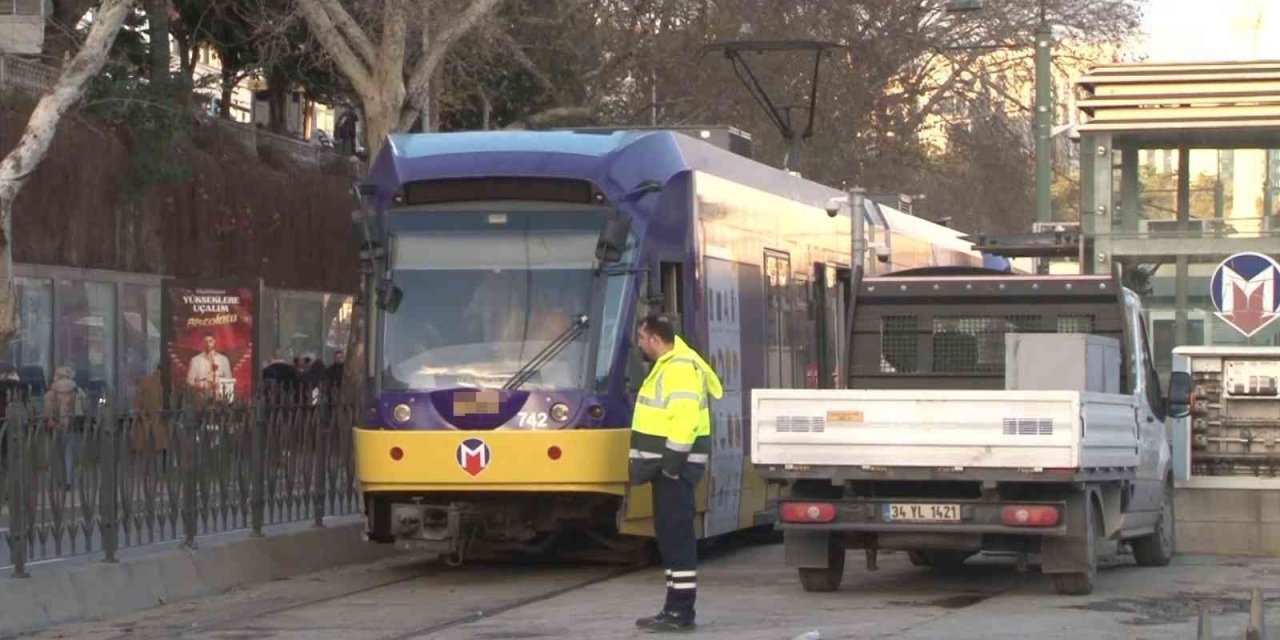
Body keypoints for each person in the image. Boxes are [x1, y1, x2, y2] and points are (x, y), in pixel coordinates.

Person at [628, 313, 723, 632]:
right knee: (669, 537)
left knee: (677, 538)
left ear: (654, 338)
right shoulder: (671, 366)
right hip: (669, 469)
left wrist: (670, 466)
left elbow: (684, 422)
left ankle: (681, 612)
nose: (639, 344)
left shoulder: (679, 369)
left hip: (675, 469)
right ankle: (673, 608)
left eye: (641, 337)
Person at [186, 333, 233, 398]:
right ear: (202, 343)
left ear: (214, 342)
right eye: (205, 342)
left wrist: (219, 384)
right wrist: (201, 385)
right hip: (201, 400)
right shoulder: (195, 361)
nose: (208, 344)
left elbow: (229, 380)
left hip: (220, 400)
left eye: (210, 341)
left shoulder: (224, 360)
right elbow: (189, 382)